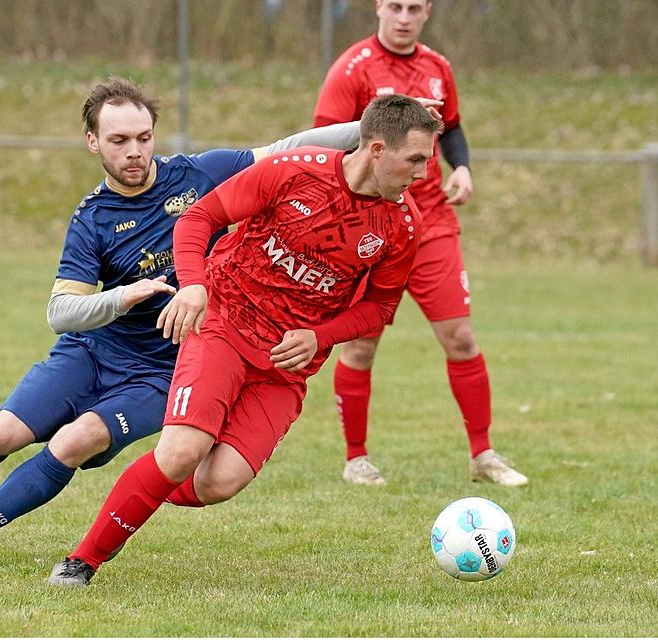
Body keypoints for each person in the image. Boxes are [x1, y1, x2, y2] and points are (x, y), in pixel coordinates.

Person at [0, 76, 368, 566]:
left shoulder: (201, 174)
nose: (134, 151)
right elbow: (60, 313)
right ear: (93, 142)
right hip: (94, 352)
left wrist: (370, 130)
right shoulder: (92, 218)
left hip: (166, 370)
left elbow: (291, 148)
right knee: (1, 436)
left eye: (144, 138)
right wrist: (121, 297)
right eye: (119, 141)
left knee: (77, 440)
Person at [47, 93, 444, 587]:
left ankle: (144, 486)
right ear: (378, 150)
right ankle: (81, 562)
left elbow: (380, 308)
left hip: (285, 364)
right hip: (226, 324)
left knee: (220, 482)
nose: (424, 173)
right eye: (416, 160)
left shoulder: (403, 225)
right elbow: (198, 218)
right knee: (182, 452)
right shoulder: (295, 171)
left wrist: (319, 335)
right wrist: (193, 283)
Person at [313, 0, 528, 487]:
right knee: (361, 344)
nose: (403, 16)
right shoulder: (352, 68)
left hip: (431, 224)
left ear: (427, 11)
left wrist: (464, 167)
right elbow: (323, 140)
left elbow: (451, 127)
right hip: (370, 226)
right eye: (395, 6)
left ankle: (483, 455)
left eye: (414, 7)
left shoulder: (438, 67)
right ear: (378, 8)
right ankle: (356, 458)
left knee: (461, 338)